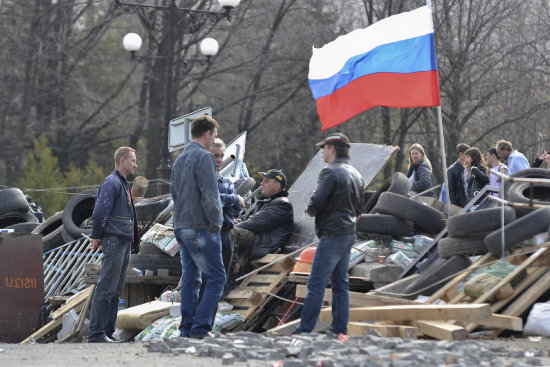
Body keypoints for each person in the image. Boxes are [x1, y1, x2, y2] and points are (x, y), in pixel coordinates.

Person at [294, 133, 364, 336]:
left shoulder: (329, 172)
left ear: (332, 149)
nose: (322, 151)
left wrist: (311, 209)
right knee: (341, 283)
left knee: (316, 283)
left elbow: (317, 201)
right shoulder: (356, 174)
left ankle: (304, 330)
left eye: (323, 148)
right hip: (348, 233)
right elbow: (359, 209)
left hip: (332, 234)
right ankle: (339, 330)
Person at [171, 115, 225, 339]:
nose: (214, 141)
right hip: (201, 227)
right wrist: (216, 224)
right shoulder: (204, 157)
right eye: (213, 137)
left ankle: (186, 329)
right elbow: (210, 196)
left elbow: (175, 195)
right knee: (217, 277)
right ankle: (201, 329)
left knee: (191, 278)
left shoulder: (180, 159)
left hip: (181, 227)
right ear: (207, 134)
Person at [87, 146, 138, 343]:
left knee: (116, 289)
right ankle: (96, 334)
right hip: (114, 240)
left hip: (123, 241)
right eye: (133, 160)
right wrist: (96, 236)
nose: (136, 164)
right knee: (106, 287)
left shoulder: (123, 184)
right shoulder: (112, 183)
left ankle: (107, 332)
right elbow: (100, 212)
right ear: (122, 160)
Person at [229, 168, 294, 280]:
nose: (261, 183)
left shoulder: (282, 204)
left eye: (266, 181)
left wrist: (227, 228)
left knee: (228, 233)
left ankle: (233, 272)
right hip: (251, 240)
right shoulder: (260, 202)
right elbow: (242, 219)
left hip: (259, 245)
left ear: (277, 186)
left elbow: (254, 223)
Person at [209, 138, 245, 290]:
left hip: (226, 234)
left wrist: (226, 202)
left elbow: (238, 210)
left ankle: (214, 312)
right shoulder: (201, 179)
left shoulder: (226, 182)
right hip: (209, 234)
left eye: (221, 156)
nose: (219, 160)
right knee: (208, 279)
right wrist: (235, 198)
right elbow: (211, 200)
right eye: (215, 156)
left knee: (221, 279)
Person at [447, 143, 470, 207]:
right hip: (459, 205)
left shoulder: (469, 168)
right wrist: (454, 206)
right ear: (460, 154)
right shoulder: (452, 170)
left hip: (469, 203)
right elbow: (451, 191)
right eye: (467, 154)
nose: (468, 156)